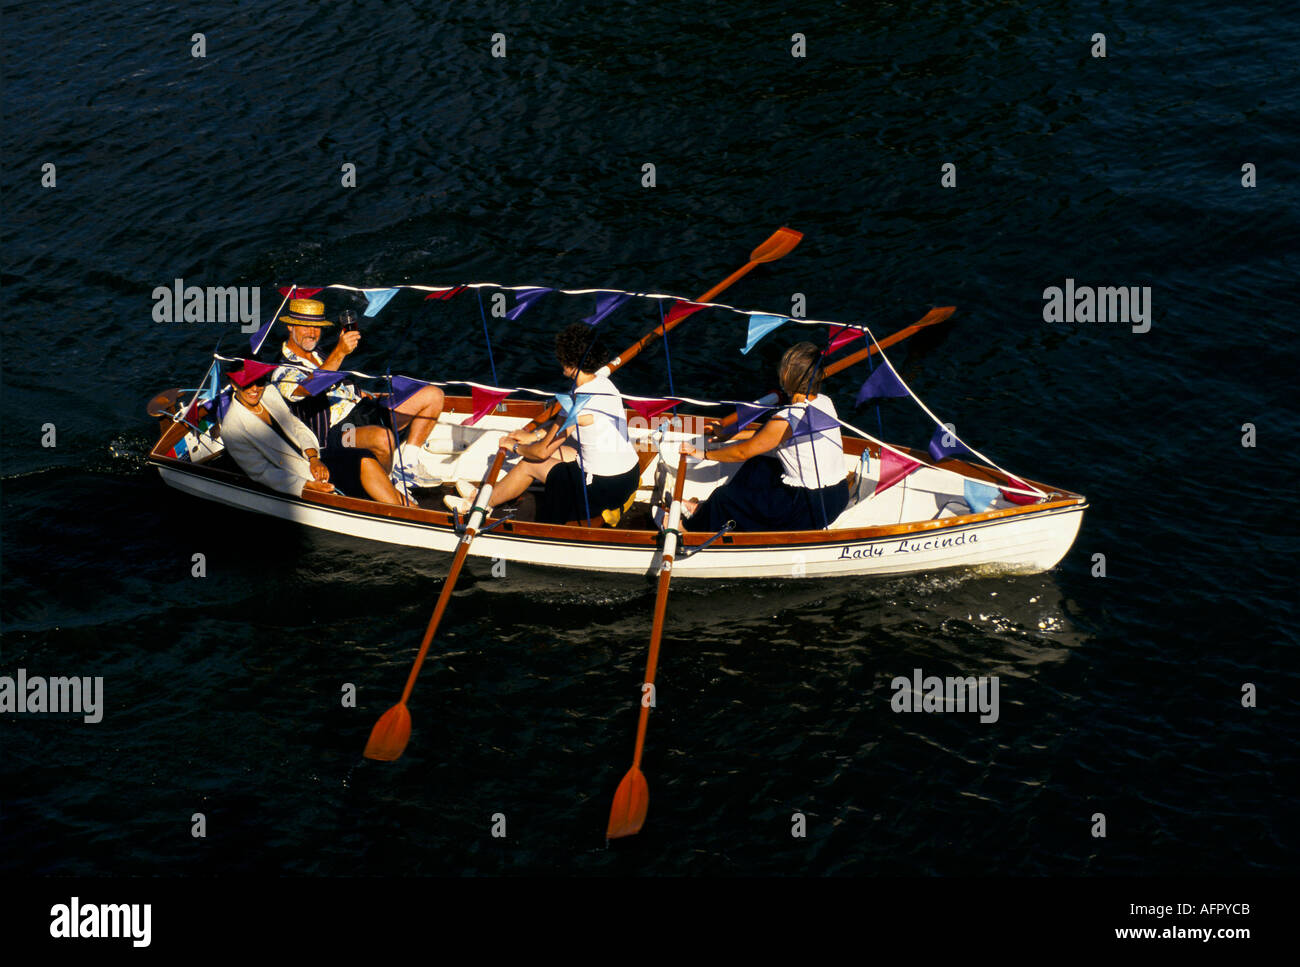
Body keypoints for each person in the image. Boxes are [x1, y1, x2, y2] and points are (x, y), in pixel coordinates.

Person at [445, 324, 641, 526]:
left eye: (562, 358)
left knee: (529, 463)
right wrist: (533, 436)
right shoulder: (601, 380)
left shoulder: (576, 404)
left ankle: (481, 504)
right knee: (566, 450)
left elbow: (541, 453)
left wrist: (513, 446)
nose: (559, 361)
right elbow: (557, 432)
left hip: (602, 489)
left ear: (571, 363)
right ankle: (487, 494)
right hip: (629, 476)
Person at [270, 298, 445, 485]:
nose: (312, 333)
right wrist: (340, 352)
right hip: (339, 433)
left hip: (363, 410)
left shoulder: (317, 354)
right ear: (290, 326)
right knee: (383, 438)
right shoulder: (281, 370)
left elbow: (336, 379)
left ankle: (407, 465)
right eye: (306, 326)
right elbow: (307, 388)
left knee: (432, 395)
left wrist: (359, 392)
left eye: (317, 327)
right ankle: (389, 485)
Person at [680, 342, 849, 532]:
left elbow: (742, 452)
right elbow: (769, 437)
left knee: (724, 497)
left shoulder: (788, 418)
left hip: (809, 506)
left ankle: (690, 529)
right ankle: (707, 512)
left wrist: (702, 454)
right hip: (838, 494)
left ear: (786, 375)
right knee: (758, 465)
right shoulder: (824, 402)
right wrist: (727, 435)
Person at [221, 359, 411, 505]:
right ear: (234, 384)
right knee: (362, 462)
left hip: (316, 457)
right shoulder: (232, 428)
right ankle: (404, 513)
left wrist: (313, 458)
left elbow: (297, 426)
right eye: (247, 384)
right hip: (298, 477)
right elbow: (263, 472)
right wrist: (306, 485)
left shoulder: (269, 392)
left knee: (363, 457)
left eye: (259, 381)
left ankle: (408, 510)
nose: (255, 389)